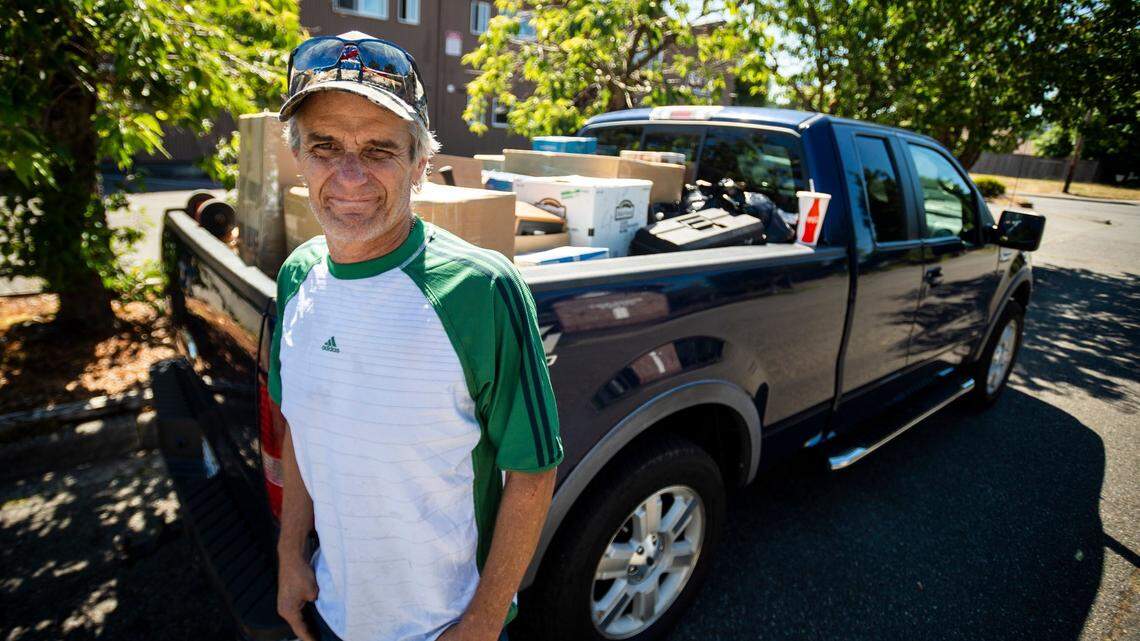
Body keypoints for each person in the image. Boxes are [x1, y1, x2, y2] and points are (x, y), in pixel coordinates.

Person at [268, 32, 563, 641]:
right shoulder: (297, 275)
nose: (349, 176)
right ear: (298, 155)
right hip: (328, 611)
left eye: (379, 150)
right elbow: (299, 422)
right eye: (325, 146)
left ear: (420, 166)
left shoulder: (481, 291)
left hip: (444, 627)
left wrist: (481, 624)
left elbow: (533, 473)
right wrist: (290, 554)